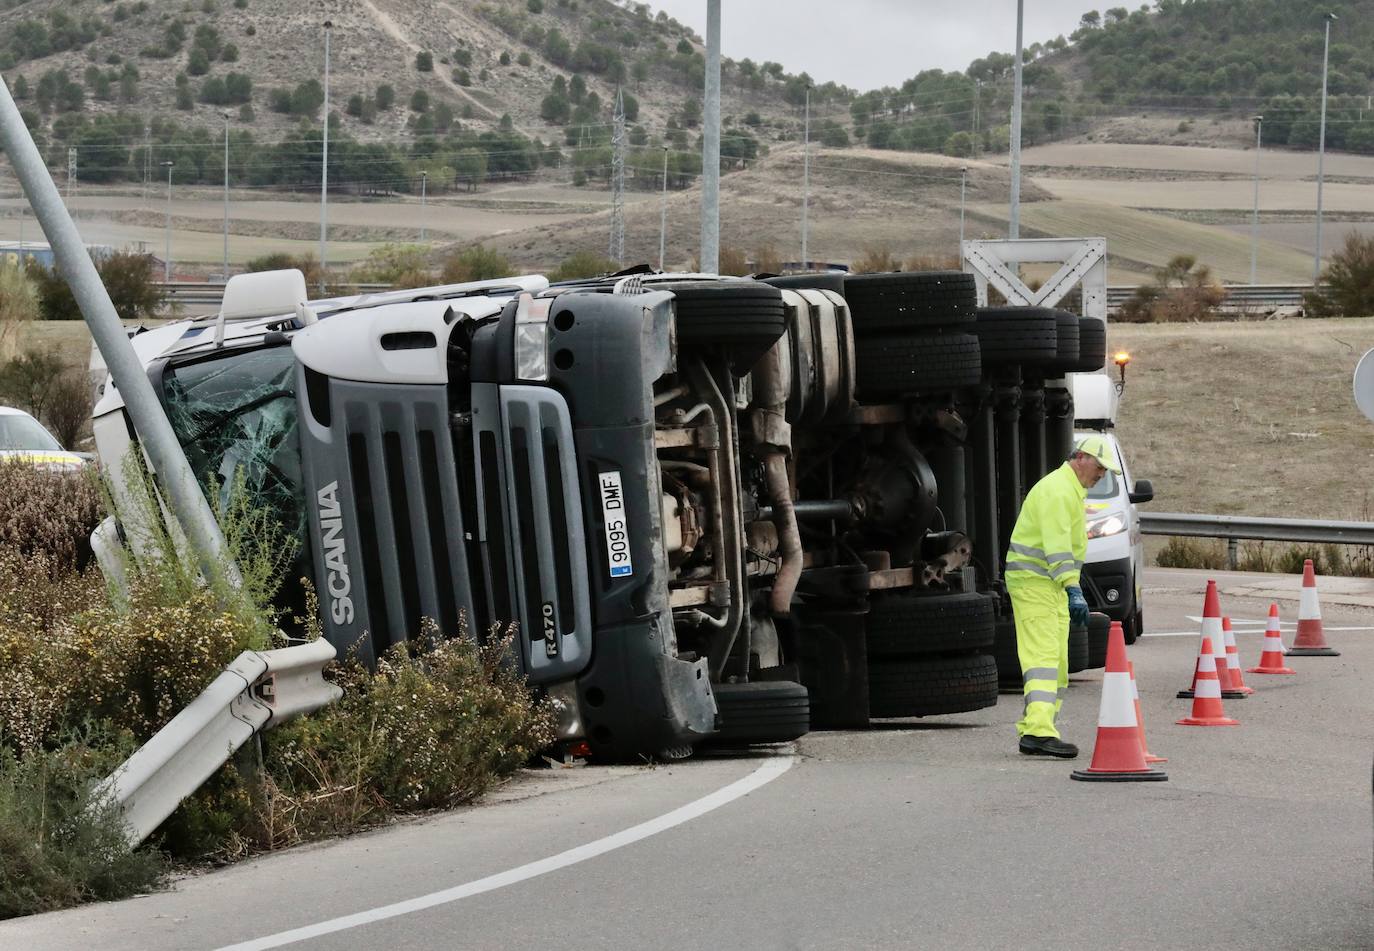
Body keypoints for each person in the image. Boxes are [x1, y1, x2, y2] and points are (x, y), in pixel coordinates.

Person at [1005, 434, 1121, 758]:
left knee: (1056, 661)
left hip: (1047, 585)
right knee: (1042, 658)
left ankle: (1038, 728)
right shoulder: (1058, 491)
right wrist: (1073, 587)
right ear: (1081, 458)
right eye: (1099, 468)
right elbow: (1057, 547)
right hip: (1035, 584)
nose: (1101, 475)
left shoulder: (1069, 490)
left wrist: (1068, 586)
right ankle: (1039, 732)